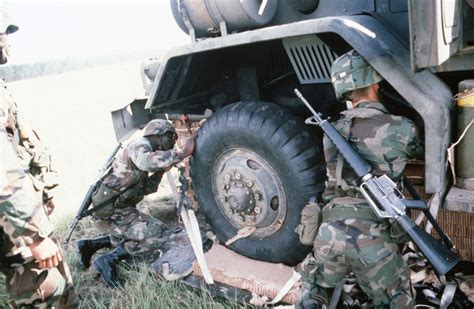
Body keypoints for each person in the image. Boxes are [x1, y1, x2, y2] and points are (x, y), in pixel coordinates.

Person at [297, 50, 423, 308]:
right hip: (375, 239)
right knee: (395, 302)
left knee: (314, 292)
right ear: (377, 83)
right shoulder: (403, 128)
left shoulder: (329, 133)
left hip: (329, 235)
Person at [0, 9, 73, 307]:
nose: (8, 42)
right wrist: (35, 234)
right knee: (48, 289)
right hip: (15, 223)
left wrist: (42, 192)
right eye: (4, 35)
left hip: (15, 216)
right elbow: (3, 171)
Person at [76, 119, 195, 288]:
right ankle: (108, 260)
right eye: (171, 138)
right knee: (158, 234)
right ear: (159, 135)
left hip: (115, 210)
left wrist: (161, 170)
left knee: (134, 232)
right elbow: (146, 162)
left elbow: (147, 188)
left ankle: (90, 245)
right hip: (109, 213)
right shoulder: (139, 145)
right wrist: (182, 153)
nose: (172, 144)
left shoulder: (144, 151)